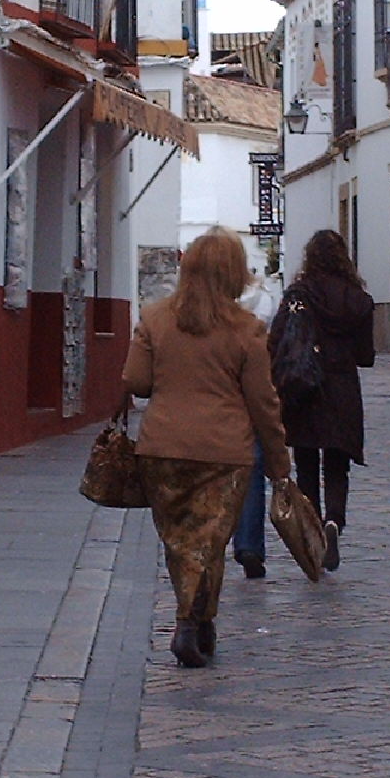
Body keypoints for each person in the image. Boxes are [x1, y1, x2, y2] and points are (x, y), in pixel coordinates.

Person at [125, 228, 293, 667]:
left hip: (162, 448)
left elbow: (137, 382)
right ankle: (192, 622)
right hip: (224, 452)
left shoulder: (154, 317)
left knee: (180, 540)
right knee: (210, 542)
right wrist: (278, 463)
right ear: (236, 274)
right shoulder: (247, 330)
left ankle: (194, 621)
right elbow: (263, 402)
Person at [270, 228, 376, 572]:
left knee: (306, 463)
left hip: (304, 387)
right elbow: (366, 355)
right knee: (336, 463)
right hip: (342, 387)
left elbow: (276, 341)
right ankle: (335, 520)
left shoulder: (298, 295)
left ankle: (314, 530)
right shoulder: (358, 299)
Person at [229, 251, 289, 577]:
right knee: (250, 470)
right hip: (242, 410)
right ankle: (249, 544)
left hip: (195, 419)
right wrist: (277, 451)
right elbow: (262, 392)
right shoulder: (260, 310)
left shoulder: (175, 315)